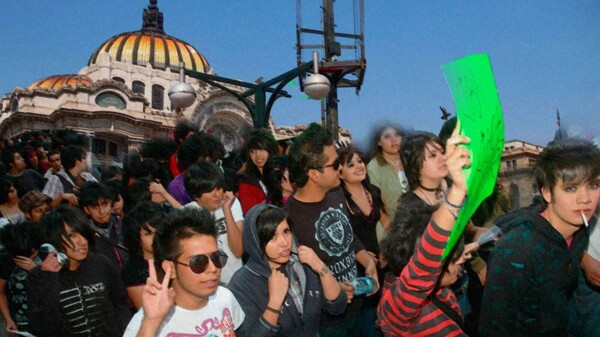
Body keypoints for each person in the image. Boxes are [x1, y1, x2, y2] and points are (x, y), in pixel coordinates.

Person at [479, 138, 600, 336]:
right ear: (546, 192)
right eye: (571, 188)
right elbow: (494, 329)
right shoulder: (516, 253)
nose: (585, 198)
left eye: (594, 185)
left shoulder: (579, 232)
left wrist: (584, 260)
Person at [284, 123, 379, 337]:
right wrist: (331, 292)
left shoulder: (336, 192)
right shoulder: (289, 219)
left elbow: (348, 236)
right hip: (327, 323)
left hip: (358, 307)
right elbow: (295, 279)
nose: (340, 169)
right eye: (335, 164)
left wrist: (366, 260)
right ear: (314, 174)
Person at [377, 133, 473, 336]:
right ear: (415, 167)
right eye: (432, 155)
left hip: (449, 291)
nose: (441, 158)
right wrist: (456, 194)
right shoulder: (411, 206)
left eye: (441, 151)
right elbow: (425, 261)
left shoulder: (447, 189)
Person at [123, 207, 245, 337]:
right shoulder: (146, 323)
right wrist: (152, 322)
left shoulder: (225, 297)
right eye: (198, 262)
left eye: (216, 258)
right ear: (170, 269)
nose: (213, 269)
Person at [228, 204, 346, 337]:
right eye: (272, 237)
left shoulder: (302, 263)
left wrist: (321, 268)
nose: (284, 242)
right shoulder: (241, 284)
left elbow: (337, 307)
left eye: (286, 231)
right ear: (255, 242)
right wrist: (275, 302)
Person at [27, 205, 131, 336]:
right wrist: (50, 279)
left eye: (83, 234)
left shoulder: (101, 264)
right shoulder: (38, 277)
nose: (83, 241)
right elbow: (41, 328)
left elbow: (120, 304)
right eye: (72, 235)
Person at [338, 146, 389, 336]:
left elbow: (387, 223)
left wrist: (387, 250)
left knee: (380, 315)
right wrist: (361, 254)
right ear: (340, 173)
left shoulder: (373, 191)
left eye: (359, 161)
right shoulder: (338, 199)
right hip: (353, 266)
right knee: (363, 321)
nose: (359, 166)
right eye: (351, 165)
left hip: (379, 262)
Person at [183, 160, 244, 285]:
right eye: (210, 191)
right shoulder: (187, 215)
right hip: (208, 284)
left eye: (219, 188)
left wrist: (226, 210)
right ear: (196, 195)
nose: (217, 195)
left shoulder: (232, 204)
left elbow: (238, 250)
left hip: (238, 282)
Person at [366, 124, 408, 240]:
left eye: (397, 135)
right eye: (387, 136)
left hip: (414, 227)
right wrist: (390, 229)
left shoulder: (409, 160)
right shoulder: (374, 167)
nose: (394, 139)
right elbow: (375, 201)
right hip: (390, 231)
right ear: (379, 142)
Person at [122, 201, 164, 309]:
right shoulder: (132, 270)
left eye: (159, 230)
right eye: (148, 234)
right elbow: (145, 310)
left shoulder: (174, 255)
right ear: (137, 238)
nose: (156, 237)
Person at [0, 222, 40, 334]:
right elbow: (0, 293)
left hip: (47, 318)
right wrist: (8, 320)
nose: (34, 254)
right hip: (22, 322)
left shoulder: (45, 254)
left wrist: (35, 270)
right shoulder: (5, 261)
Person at [79, 181, 129, 269]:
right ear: (86, 210)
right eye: (95, 207)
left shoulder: (124, 223)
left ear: (110, 203)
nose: (101, 211)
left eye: (105, 204)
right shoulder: (84, 234)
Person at [237, 128, 279, 215]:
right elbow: (251, 214)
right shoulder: (247, 182)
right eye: (252, 151)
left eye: (261, 149)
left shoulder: (282, 173)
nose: (257, 155)